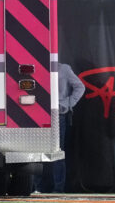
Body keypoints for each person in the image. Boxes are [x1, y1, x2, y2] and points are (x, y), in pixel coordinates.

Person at [34, 61, 84, 193]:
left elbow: (80, 87)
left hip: (58, 114)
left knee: (57, 151)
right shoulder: (37, 66)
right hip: (38, 113)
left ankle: (58, 188)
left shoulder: (64, 69)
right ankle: (38, 187)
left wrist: (68, 103)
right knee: (37, 151)